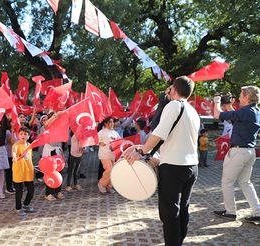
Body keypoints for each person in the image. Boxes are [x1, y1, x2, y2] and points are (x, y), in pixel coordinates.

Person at [124, 76, 200, 246]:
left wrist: (140, 151)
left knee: (169, 213)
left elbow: (159, 133)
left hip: (174, 166)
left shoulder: (173, 105)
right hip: (192, 166)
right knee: (183, 209)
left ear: (173, 90)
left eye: (170, 89)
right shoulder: (192, 110)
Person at [212, 86, 260, 222]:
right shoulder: (255, 111)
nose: (238, 97)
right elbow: (237, 118)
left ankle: (230, 212)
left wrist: (217, 101)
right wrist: (228, 106)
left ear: (246, 97)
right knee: (245, 182)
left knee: (227, 182)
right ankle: (257, 211)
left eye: (241, 95)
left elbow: (217, 115)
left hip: (238, 152)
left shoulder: (244, 111)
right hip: (250, 152)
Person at [12, 127, 35, 216]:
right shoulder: (16, 145)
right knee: (19, 191)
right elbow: (14, 152)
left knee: (31, 190)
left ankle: (26, 204)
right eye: (21, 134)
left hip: (28, 171)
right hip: (19, 171)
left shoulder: (29, 145)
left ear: (28, 136)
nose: (23, 136)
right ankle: (18, 208)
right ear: (18, 135)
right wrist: (14, 157)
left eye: (25, 134)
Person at [97, 117, 121, 194]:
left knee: (113, 171)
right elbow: (95, 140)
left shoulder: (115, 133)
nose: (112, 123)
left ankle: (109, 186)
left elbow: (120, 141)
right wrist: (100, 143)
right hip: (104, 155)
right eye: (110, 122)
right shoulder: (101, 132)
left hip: (113, 155)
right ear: (105, 123)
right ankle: (101, 184)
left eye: (112, 122)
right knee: (109, 169)